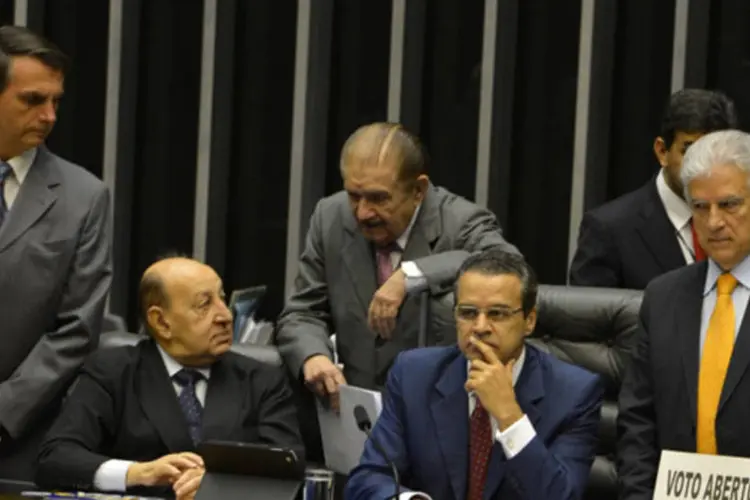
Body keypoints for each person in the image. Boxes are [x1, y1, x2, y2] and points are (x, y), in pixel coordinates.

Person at [276, 122, 519, 405]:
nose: (364, 212)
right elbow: (302, 313)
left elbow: (508, 264)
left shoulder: (460, 221)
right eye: (354, 196)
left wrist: (411, 274)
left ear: (418, 190)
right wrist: (313, 356)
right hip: (354, 417)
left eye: (379, 198)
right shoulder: (330, 216)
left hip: (435, 416)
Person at [36, 257, 302, 499]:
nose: (225, 315)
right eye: (204, 304)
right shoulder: (113, 371)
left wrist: (220, 488)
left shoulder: (262, 378)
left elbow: (288, 468)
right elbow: (56, 458)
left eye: (222, 298)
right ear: (161, 322)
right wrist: (137, 473)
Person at [346, 249, 603, 500]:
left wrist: (510, 417)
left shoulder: (575, 393)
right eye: (468, 313)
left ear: (529, 321)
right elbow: (368, 479)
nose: (479, 328)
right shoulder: (414, 374)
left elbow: (562, 495)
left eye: (497, 314)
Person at [0, 26, 112, 479]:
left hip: (19, 439)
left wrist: (3, 411)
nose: (49, 115)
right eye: (32, 100)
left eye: (56, 101)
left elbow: (76, 330)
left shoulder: (85, 196)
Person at [617, 130, 750, 498]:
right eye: (700, 207)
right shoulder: (663, 296)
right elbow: (638, 421)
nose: (713, 222)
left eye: (729, 204)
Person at [569, 89, 738, 290]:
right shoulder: (609, 230)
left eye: (715, 152)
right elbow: (592, 319)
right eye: (690, 151)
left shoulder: (742, 221)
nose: (703, 167)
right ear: (662, 151)